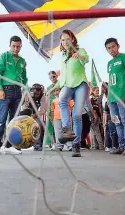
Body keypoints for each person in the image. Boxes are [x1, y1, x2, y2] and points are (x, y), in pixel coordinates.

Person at [53, 29, 90, 157]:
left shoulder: (81, 51)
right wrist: (55, 86)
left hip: (80, 84)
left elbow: (86, 59)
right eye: (63, 40)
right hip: (67, 85)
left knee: (77, 116)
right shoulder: (63, 56)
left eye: (67, 39)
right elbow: (63, 76)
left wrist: (79, 56)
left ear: (73, 39)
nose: (65, 42)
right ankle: (67, 129)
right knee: (62, 100)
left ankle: (76, 144)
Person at [0, 35, 28, 155]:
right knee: (2, 118)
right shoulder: (3, 57)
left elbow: (24, 78)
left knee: (14, 120)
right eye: (13, 46)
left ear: (21, 46)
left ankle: (9, 145)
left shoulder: (23, 61)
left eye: (18, 47)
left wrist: (26, 90)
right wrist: (0, 89)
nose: (16, 49)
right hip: (5, 90)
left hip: (18, 92)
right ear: (9, 45)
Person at [105, 37, 125, 156]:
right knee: (116, 122)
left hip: (122, 96)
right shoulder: (109, 63)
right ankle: (121, 145)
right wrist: (108, 98)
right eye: (108, 48)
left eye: (113, 47)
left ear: (118, 46)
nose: (111, 50)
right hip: (111, 98)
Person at [19, 83, 47, 151]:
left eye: (38, 90)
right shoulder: (28, 94)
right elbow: (19, 104)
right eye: (35, 90)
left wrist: (36, 115)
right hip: (25, 113)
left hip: (35, 114)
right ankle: (18, 144)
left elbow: (43, 109)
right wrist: (24, 98)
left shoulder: (43, 96)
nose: (36, 92)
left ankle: (38, 144)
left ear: (41, 91)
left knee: (40, 124)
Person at [101, 82, 118, 152]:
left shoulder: (107, 96)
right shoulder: (104, 96)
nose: (103, 89)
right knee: (112, 131)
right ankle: (112, 146)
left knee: (112, 131)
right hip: (111, 115)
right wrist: (104, 121)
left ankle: (111, 146)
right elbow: (105, 110)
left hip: (112, 115)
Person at [45, 71, 58, 149]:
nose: (53, 78)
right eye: (51, 77)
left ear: (56, 76)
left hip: (58, 108)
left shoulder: (60, 84)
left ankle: (57, 142)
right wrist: (48, 110)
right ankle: (49, 142)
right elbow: (47, 99)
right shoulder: (48, 88)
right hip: (50, 108)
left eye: (54, 76)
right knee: (49, 126)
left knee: (57, 126)